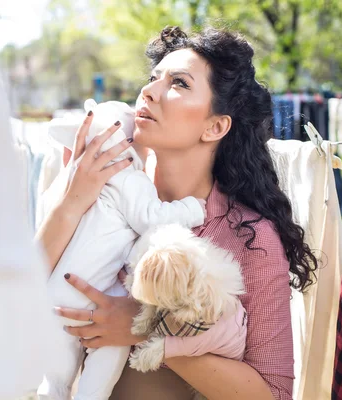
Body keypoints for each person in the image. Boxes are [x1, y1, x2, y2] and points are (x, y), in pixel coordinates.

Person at [36, 26, 318, 400]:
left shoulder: (249, 237)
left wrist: (149, 329)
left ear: (215, 126)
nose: (148, 91)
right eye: (153, 79)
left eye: (179, 83)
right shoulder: (98, 183)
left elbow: (275, 392)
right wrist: (70, 202)